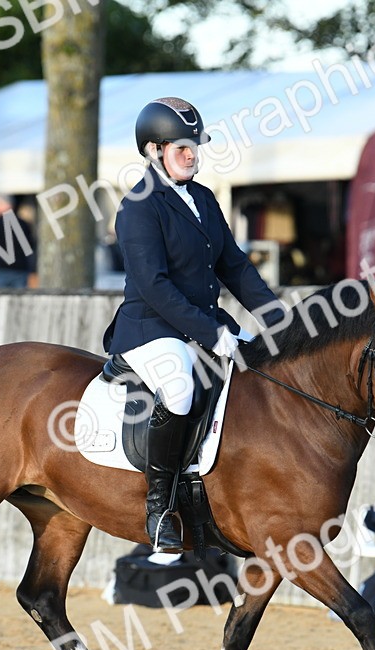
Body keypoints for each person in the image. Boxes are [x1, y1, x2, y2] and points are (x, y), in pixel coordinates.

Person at [102, 97, 284, 553]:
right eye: (180, 146)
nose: (191, 154)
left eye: (194, 146)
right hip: (150, 327)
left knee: (261, 371)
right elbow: (156, 287)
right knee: (181, 388)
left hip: (202, 323)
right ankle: (160, 508)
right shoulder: (138, 207)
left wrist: (279, 319)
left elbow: (235, 267)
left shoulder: (202, 198)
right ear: (153, 150)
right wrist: (216, 335)